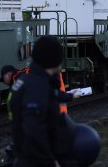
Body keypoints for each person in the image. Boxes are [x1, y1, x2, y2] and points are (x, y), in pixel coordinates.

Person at [8, 35, 70, 166]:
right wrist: (51, 161)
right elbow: (33, 130)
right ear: (54, 60)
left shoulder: (25, 81)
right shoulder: (37, 85)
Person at [0, 64, 79, 113]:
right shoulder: (26, 77)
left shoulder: (20, 81)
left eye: (3, 79)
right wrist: (70, 96)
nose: (4, 82)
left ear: (8, 74)